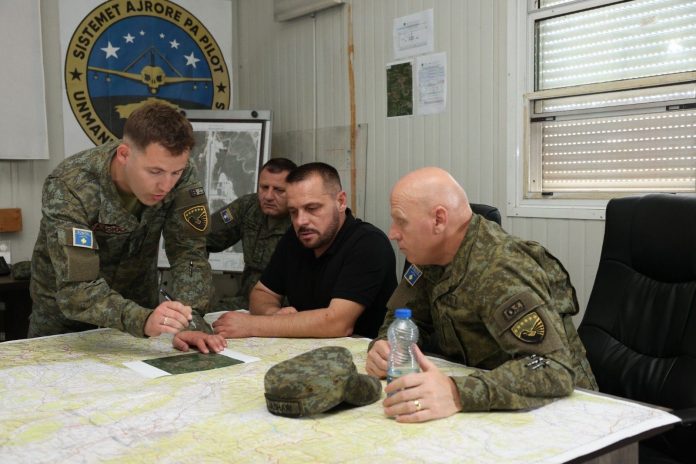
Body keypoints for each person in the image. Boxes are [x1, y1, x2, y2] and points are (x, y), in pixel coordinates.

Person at [366, 167, 597, 423]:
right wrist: (384, 347)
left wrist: (456, 393)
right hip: (492, 407)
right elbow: (406, 317)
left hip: (568, 413)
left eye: (401, 221)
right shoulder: (428, 257)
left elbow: (552, 369)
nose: (392, 233)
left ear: (439, 220)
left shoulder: (501, 268)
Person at [28, 102, 224, 352]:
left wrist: (190, 319)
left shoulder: (180, 173)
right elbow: (77, 289)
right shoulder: (70, 186)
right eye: (155, 171)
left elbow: (189, 254)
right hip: (63, 325)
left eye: (175, 173)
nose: (166, 185)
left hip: (139, 323)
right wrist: (141, 319)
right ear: (124, 154)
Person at [208, 162, 397, 339]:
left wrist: (254, 325)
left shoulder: (368, 244)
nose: (301, 221)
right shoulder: (296, 238)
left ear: (340, 201)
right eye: (293, 212)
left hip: (364, 359)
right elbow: (262, 293)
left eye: (312, 208)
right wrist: (273, 314)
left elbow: (338, 323)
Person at [206, 157, 297, 310]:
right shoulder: (248, 207)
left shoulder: (302, 220)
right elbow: (203, 236)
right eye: (264, 187)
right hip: (245, 302)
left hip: (284, 308)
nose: (268, 196)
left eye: (279, 190)